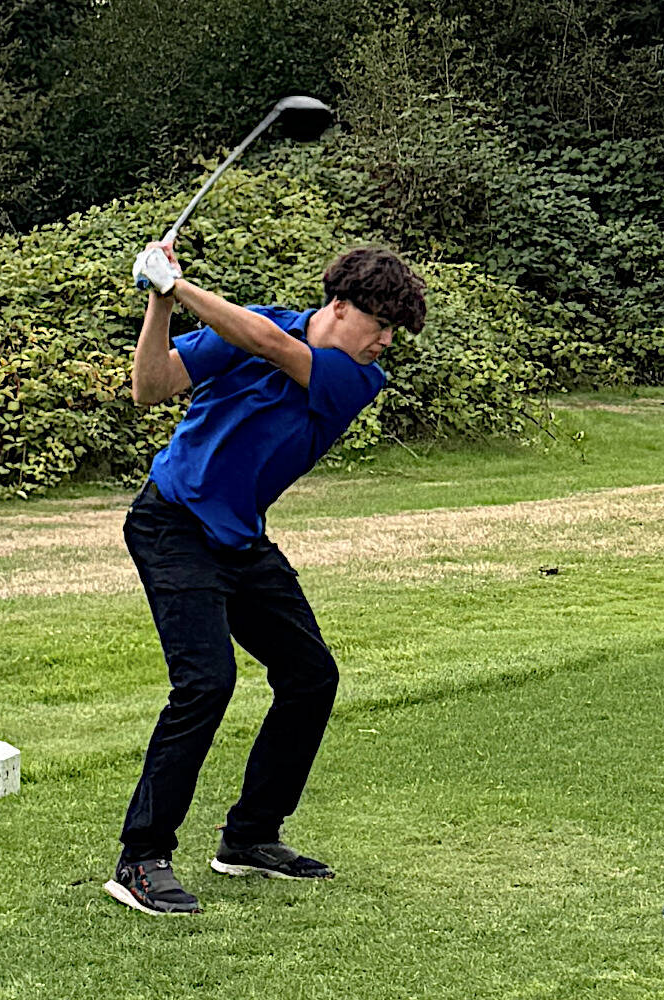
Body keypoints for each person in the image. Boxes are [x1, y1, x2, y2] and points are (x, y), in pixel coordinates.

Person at [103, 241, 426, 915]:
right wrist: (159, 302)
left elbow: (275, 349)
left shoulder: (353, 378)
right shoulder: (246, 324)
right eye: (381, 324)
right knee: (206, 682)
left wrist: (181, 287)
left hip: (240, 541)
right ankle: (141, 859)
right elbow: (150, 386)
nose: (386, 341)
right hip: (173, 526)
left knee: (310, 677)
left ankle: (249, 837)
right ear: (340, 308)